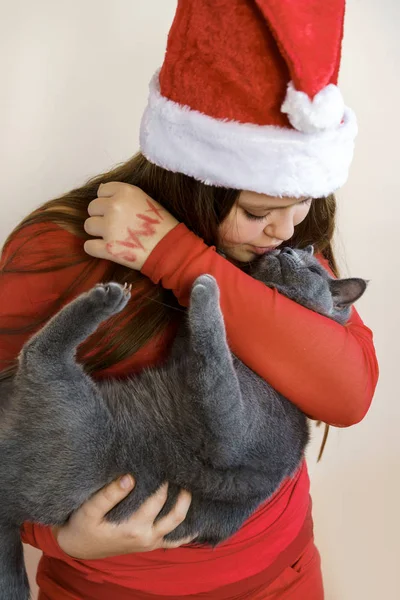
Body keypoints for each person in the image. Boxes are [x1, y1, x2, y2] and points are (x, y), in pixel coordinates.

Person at [0, 1, 378, 599]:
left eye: (301, 201)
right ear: (193, 177)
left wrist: (175, 257)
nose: (286, 231)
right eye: (258, 211)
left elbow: (349, 392)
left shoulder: (282, 250)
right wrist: (61, 540)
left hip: (285, 578)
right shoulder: (61, 249)